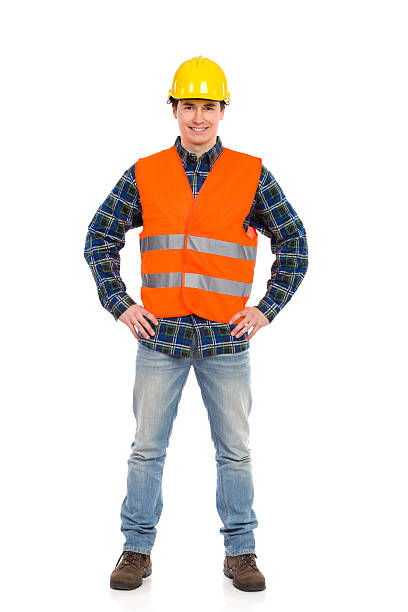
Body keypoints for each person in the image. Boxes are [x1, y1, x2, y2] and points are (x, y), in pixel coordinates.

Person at [83, 55, 309, 592]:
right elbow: (99, 239)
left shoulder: (251, 173)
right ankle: (136, 548)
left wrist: (265, 309)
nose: (198, 117)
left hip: (225, 338)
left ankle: (241, 551)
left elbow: (295, 244)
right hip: (159, 337)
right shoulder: (146, 172)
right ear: (174, 109)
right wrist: (121, 304)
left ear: (223, 110)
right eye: (189, 106)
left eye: (208, 106)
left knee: (235, 451)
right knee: (146, 449)